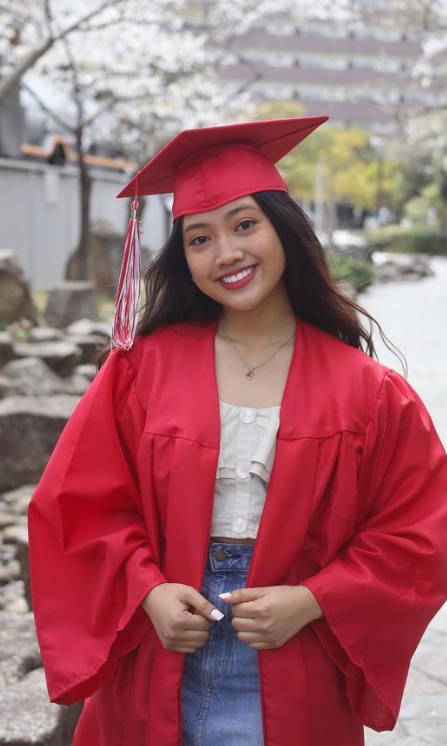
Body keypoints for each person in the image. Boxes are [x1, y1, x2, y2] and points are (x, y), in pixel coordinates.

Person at [28, 117, 447, 746]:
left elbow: (422, 529)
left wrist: (314, 599)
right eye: (200, 237)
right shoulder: (142, 370)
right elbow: (77, 506)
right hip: (163, 645)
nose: (226, 253)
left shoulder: (367, 390)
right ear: (182, 256)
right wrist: (147, 592)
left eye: (245, 224)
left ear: (285, 228)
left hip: (291, 652)